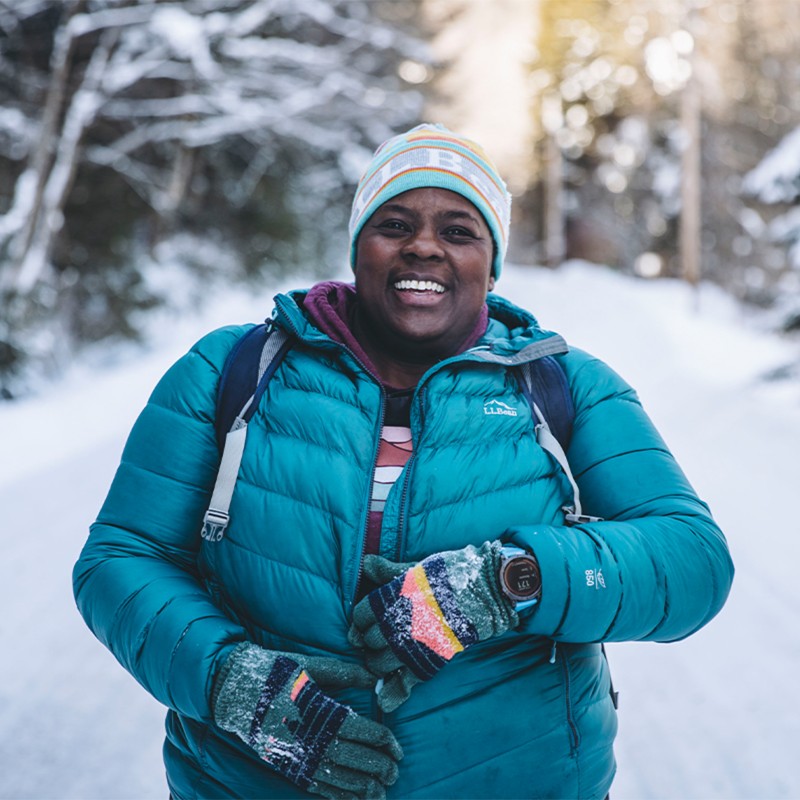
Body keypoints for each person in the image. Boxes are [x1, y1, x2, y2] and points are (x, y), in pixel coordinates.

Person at [73, 123, 734, 800]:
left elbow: (692, 562)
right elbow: (120, 559)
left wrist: (507, 582)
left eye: (458, 229)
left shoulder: (565, 387)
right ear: (359, 244)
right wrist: (227, 682)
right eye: (395, 222)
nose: (424, 245)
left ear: (491, 262)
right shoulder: (234, 370)